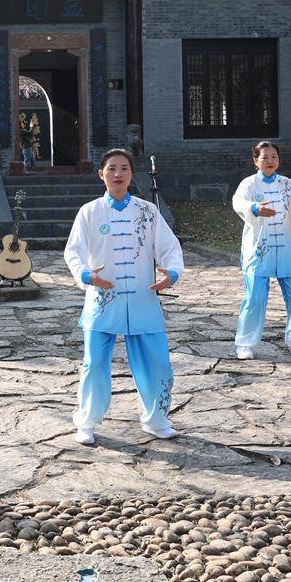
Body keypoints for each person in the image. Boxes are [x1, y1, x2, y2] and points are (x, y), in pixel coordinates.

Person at [63, 148, 185, 445]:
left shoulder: (147, 211)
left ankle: (156, 419)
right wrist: (86, 275)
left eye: (124, 169)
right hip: (102, 300)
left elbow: (169, 247)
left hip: (143, 299)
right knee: (94, 364)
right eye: (112, 169)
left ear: (131, 174)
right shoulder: (90, 212)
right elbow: (74, 252)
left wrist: (171, 273)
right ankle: (87, 421)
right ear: (101, 174)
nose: (118, 174)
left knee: (157, 363)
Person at [231, 141, 291, 360]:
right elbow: (238, 202)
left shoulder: (289, 184)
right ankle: (245, 344)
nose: (270, 161)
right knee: (255, 297)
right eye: (265, 157)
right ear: (256, 161)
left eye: (274, 157)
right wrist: (254, 208)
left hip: (287, 250)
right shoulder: (249, 184)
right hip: (259, 249)